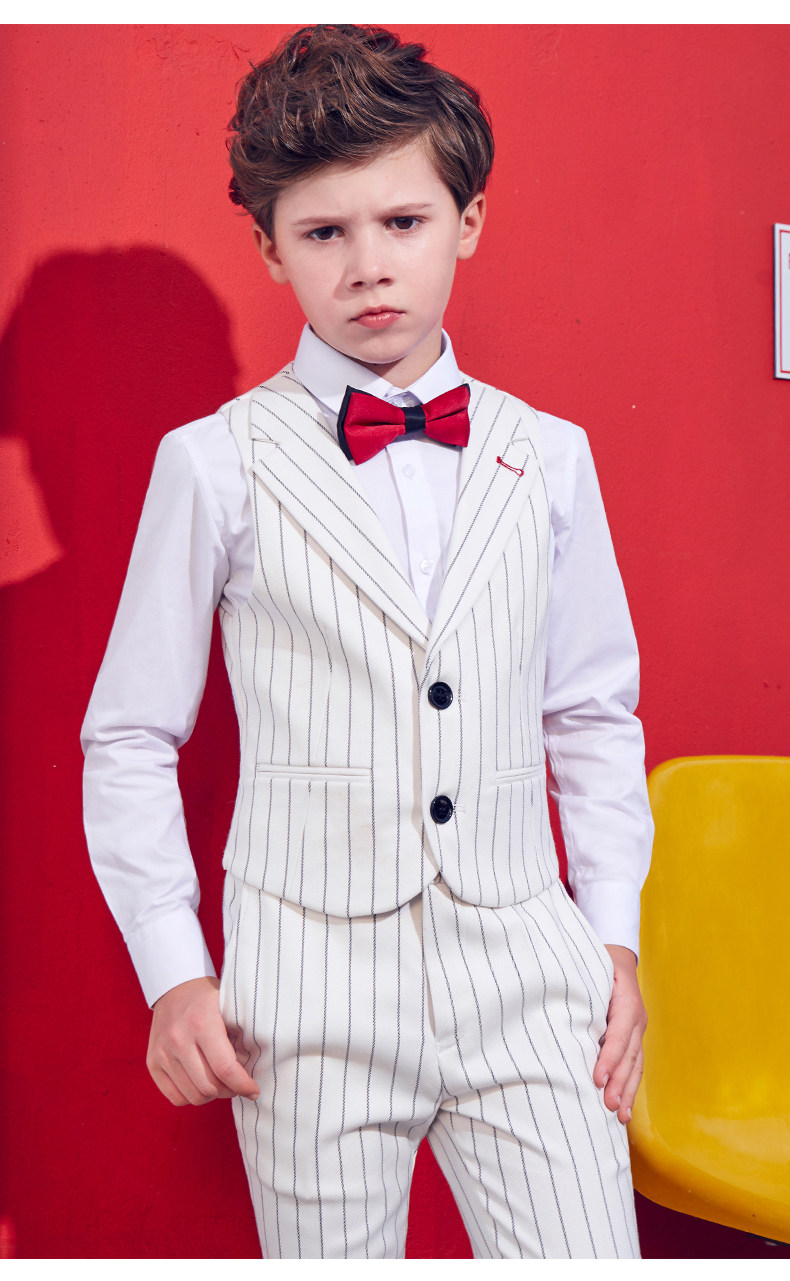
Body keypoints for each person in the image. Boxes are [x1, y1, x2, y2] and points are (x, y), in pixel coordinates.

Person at [82, 24, 653, 1259]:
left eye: (403, 222)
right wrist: (173, 969)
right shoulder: (214, 463)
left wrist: (611, 936)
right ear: (269, 250)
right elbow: (128, 735)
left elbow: (591, 712)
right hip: (306, 992)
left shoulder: (550, 456)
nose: (367, 267)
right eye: (323, 233)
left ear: (468, 222)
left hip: (527, 969)